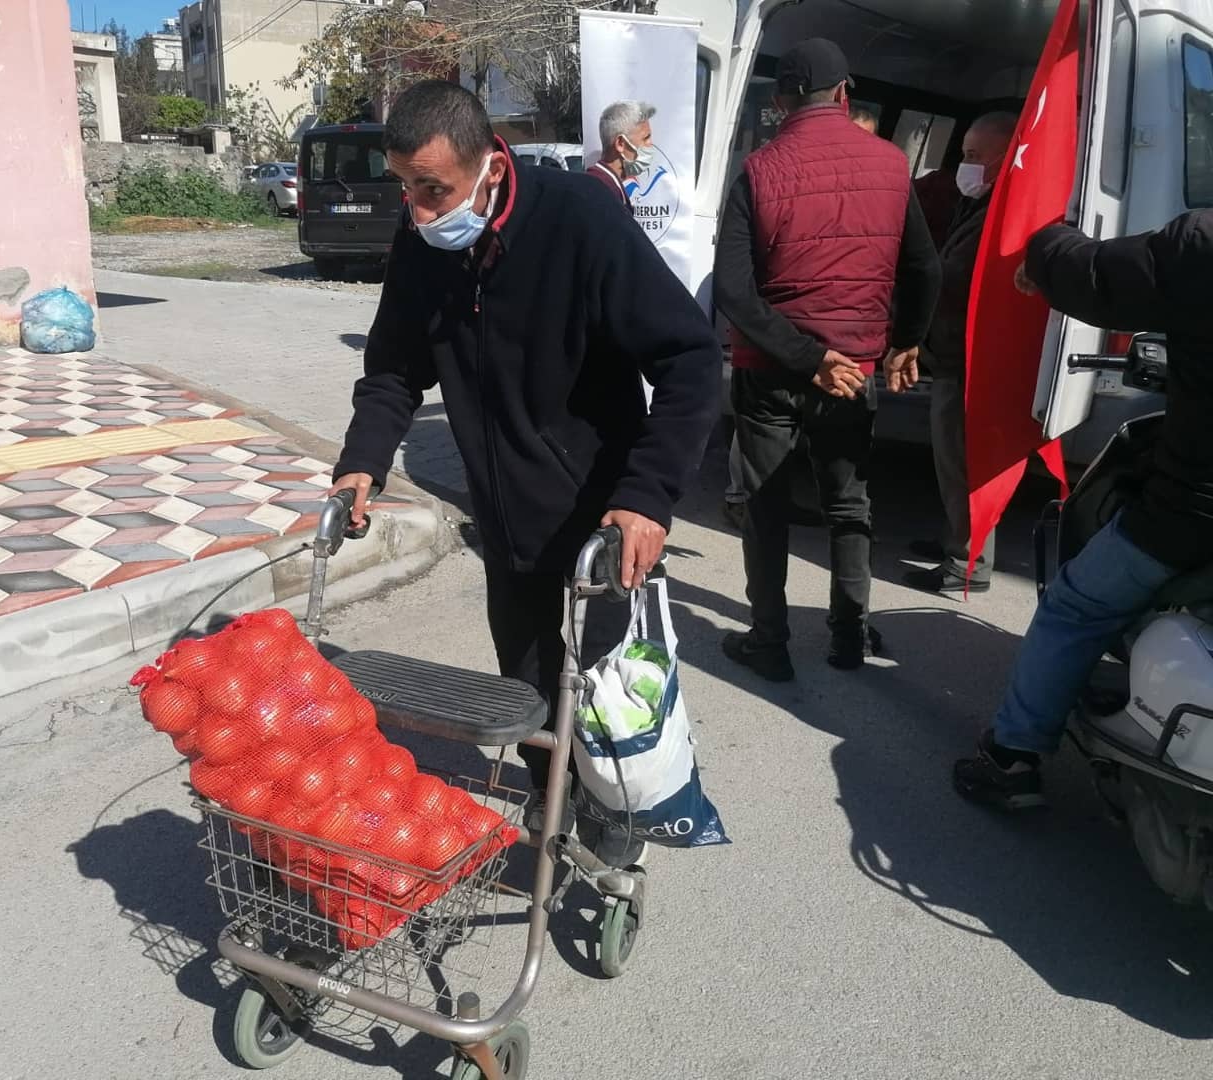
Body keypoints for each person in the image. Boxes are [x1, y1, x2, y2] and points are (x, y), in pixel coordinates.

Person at [331, 81, 721, 859]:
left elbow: (691, 359)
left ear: (491, 169)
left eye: (433, 189)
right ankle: (558, 806)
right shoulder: (423, 244)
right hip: (506, 527)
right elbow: (394, 371)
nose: (418, 210)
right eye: (405, 188)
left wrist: (646, 498)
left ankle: (614, 827)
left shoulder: (581, 220)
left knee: (603, 700)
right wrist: (361, 461)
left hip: (601, 526)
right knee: (532, 694)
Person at [954, 209, 1213, 810]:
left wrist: (1049, 235)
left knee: (1076, 606)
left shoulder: (1201, 244)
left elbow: (1093, 277)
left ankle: (1010, 758)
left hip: (1190, 513)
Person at [713, 38, 942, 682]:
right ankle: (847, 636)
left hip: (770, 367)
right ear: (845, 96)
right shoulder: (894, 165)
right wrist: (905, 342)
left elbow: (733, 288)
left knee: (765, 509)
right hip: (853, 369)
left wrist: (802, 355)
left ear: (781, 101)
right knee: (849, 506)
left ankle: (770, 643)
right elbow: (925, 266)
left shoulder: (759, 169)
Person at [905, 111, 1019, 596]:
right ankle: (960, 542)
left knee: (963, 463)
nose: (965, 166)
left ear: (1005, 156)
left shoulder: (1010, 209)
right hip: (953, 355)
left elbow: (962, 279)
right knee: (952, 462)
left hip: (972, 362)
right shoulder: (980, 202)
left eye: (975, 156)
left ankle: (965, 567)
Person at [587, 100, 655, 211]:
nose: (650, 144)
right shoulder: (600, 194)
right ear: (620, 144)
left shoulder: (614, 186)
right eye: (645, 138)